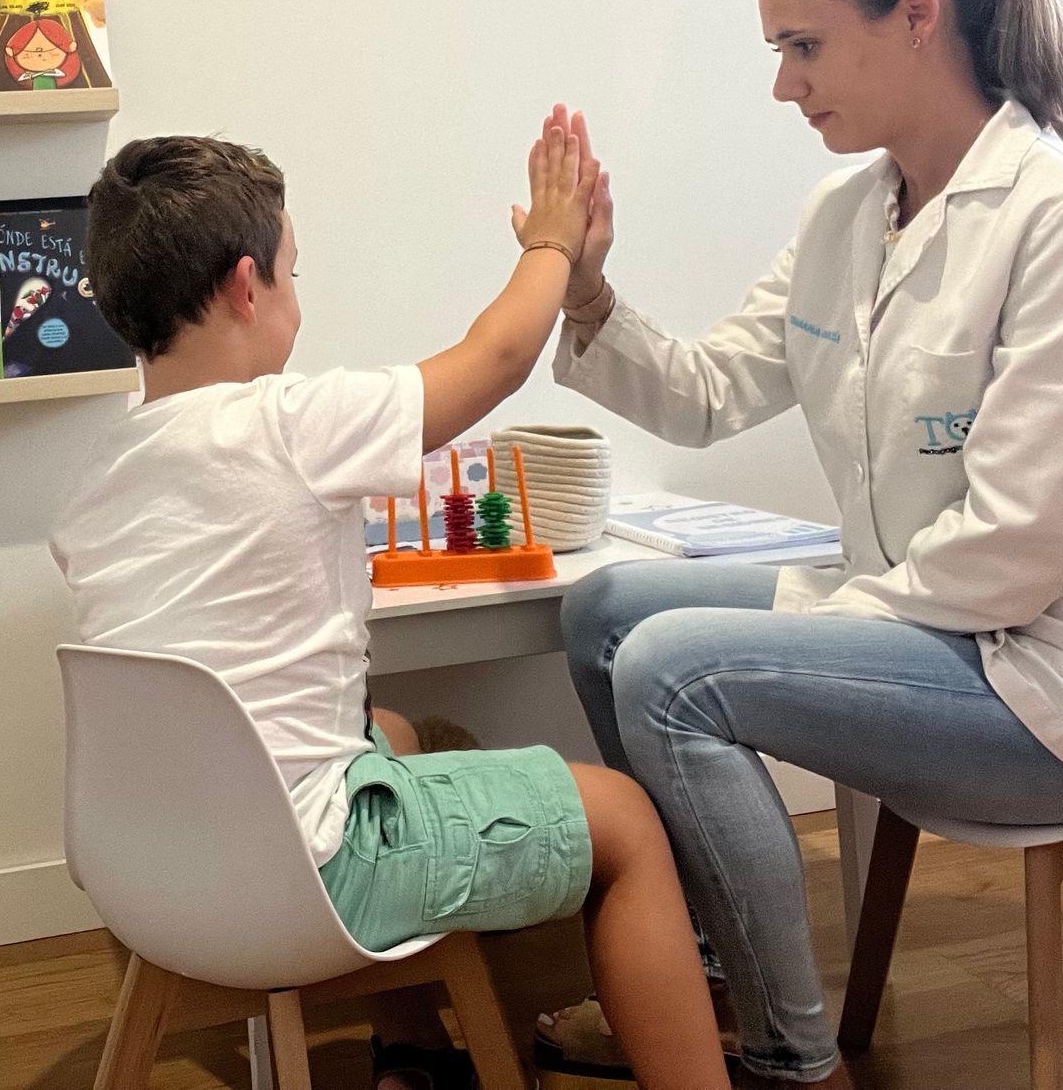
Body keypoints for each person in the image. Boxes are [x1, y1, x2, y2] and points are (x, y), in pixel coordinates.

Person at [541, 0, 1063, 1087]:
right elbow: (708, 391)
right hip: (934, 624)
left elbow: (1019, 549)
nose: (784, 85)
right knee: (605, 609)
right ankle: (698, 983)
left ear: (916, 14)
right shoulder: (850, 213)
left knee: (674, 665)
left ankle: (783, 1056)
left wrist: (823, 618)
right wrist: (586, 289)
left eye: (803, 46)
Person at [51, 129, 732, 1090]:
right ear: (247, 286)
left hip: (152, 881)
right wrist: (551, 240)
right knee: (624, 821)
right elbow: (498, 356)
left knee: (395, 732)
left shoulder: (98, 476)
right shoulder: (291, 422)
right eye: (292, 272)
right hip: (317, 878)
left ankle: (413, 1054)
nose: (295, 294)